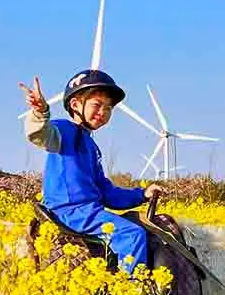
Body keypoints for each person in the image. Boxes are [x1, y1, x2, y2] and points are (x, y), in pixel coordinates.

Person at [19, 70, 165, 277]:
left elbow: (106, 192)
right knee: (132, 235)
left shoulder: (91, 145)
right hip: (70, 212)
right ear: (76, 105)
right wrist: (40, 112)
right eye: (97, 104)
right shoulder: (63, 130)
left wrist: (141, 194)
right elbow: (40, 134)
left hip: (88, 212)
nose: (103, 112)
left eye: (109, 108)